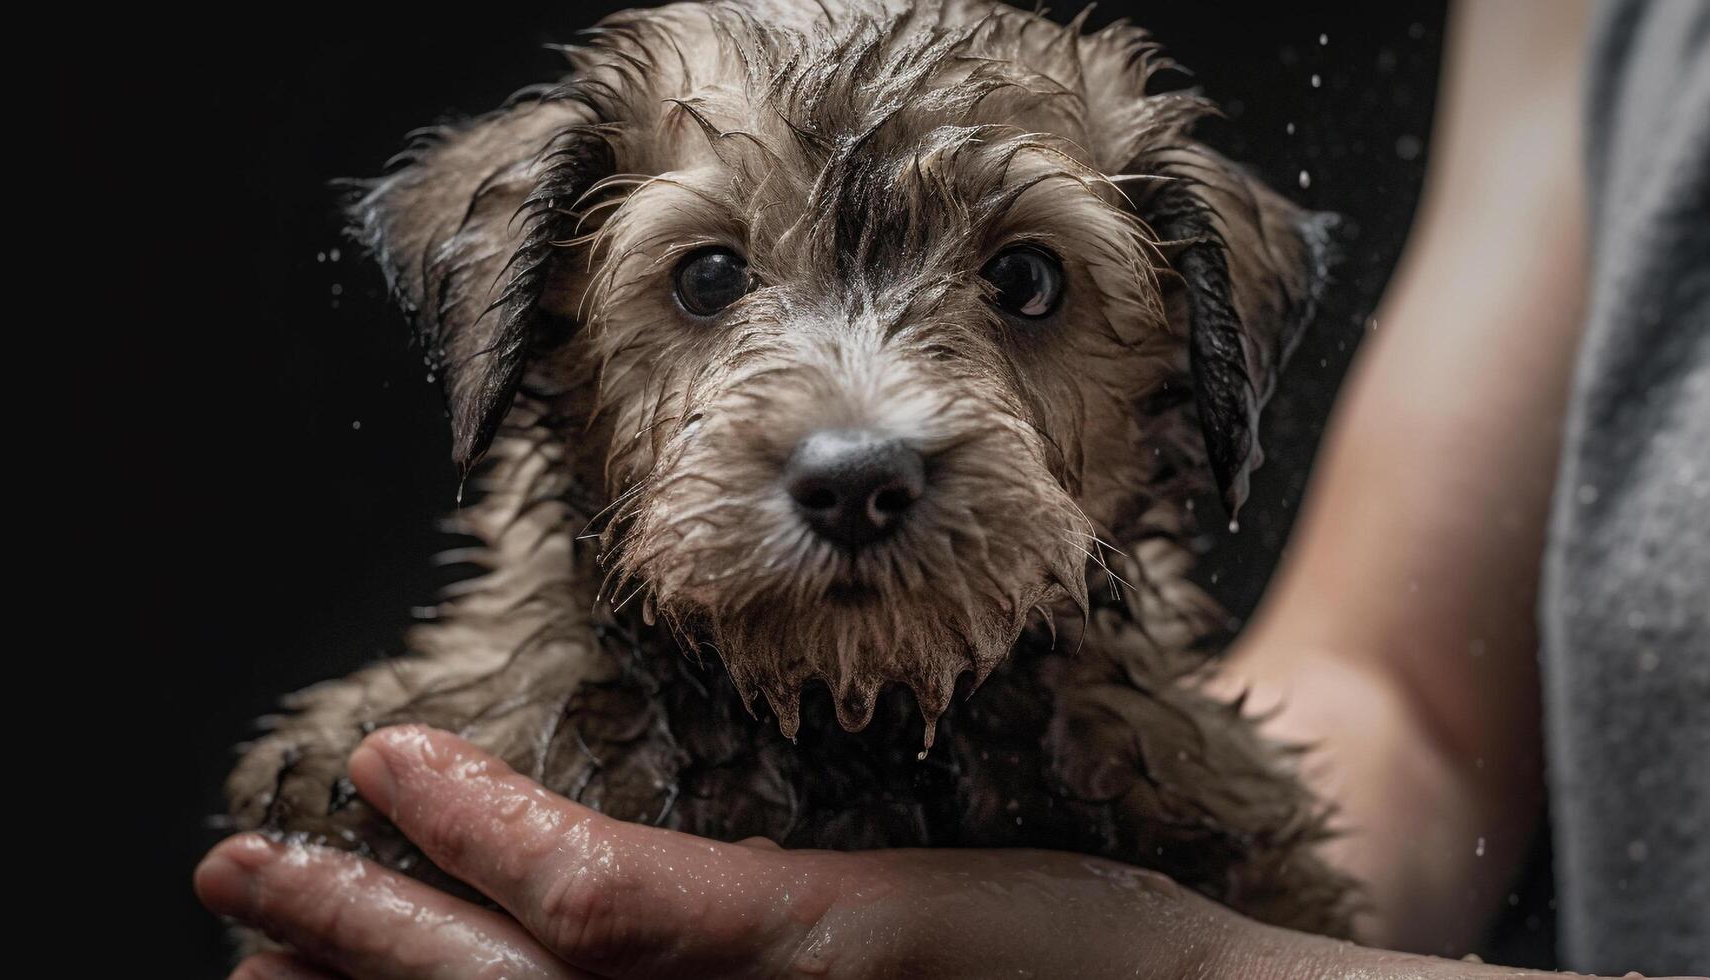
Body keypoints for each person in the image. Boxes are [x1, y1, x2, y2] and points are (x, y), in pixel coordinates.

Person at [193, 0, 1708, 976]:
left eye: (1027, 284)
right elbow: (1409, 710)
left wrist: (1189, 963)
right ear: (542, 342)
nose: (864, 429)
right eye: (709, 279)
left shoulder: (1185, 834)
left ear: (1188, 375)